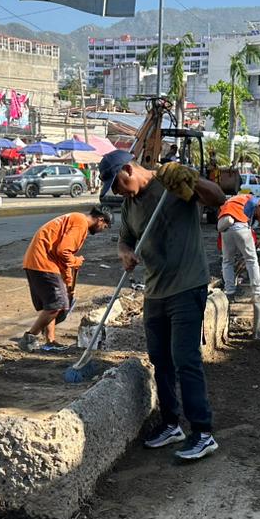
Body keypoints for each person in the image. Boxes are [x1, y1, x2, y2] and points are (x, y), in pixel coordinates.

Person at [102, 148, 227, 462]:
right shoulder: (130, 206)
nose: (116, 192)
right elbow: (125, 239)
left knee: (185, 358)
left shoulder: (171, 184)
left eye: (115, 184)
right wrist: (124, 253)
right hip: (155, 290)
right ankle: (172, 424)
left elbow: (218, 198)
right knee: (160, 359)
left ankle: (203, 432)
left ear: (128, 170)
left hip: (187, 286)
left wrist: (192, 180)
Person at [20, 207, 112, 351]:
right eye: (104, 226)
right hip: (43, 262)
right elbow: (63, 251)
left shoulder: (75, 219)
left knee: (50, 305)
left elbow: (62, 255)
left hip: (38, 261)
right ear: (100, 219)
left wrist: (68, 283)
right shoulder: (80, 223)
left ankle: (50, 341)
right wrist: (76, 261)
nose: (102, 229)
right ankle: (29, 337)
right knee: (56, 305)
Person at [216, 191, 260, 299]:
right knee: (251, 259)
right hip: (240, 227)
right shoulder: (250, 198)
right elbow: (259, 209)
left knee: (227, 261)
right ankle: (257, 292)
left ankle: (230, 291)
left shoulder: (230, 201)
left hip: (226, 229)